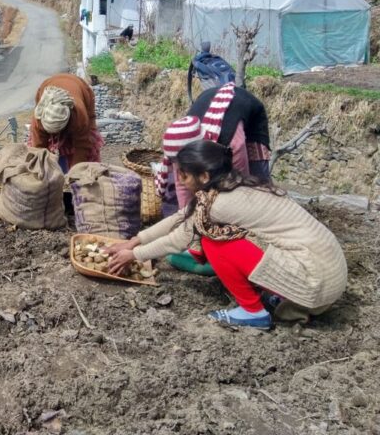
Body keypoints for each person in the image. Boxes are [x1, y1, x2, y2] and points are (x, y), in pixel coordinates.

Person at [106, 140, 347, 329]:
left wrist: (134, 254)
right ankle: (277, 296)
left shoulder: (219, 203)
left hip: (316, 283)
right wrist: (136, 240)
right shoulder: (234, 184)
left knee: (213, 242)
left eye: (184, 175)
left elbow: (178, 238)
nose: (180, 180)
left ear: (204, 177)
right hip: (327, 275)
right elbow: (181, 217)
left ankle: (253, 312)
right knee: (219, 238)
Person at [155, 82, 271, 211]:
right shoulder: (178, 142)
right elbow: (182, 184)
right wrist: (186, 216)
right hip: (208, 100)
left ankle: (266, 214)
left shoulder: (231, 141)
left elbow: (240, 182)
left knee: (256, 182)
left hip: (246, 113)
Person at [28, 73, 103, 172]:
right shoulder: (39, 116)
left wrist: (75, 172)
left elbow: (82, 145)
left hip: (81, 88)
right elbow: (39, 146)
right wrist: (41, 170)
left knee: (90, 143)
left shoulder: (79, 114)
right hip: (48, 85)